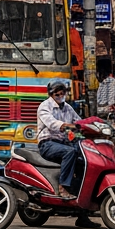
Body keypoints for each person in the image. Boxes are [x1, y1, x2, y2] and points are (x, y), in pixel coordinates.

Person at [37, 80, 89, 212]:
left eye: (62, 93)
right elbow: (53, 124)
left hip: (63, 144)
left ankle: (82, 211)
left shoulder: (67, 107)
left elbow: (78, 121)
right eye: (57, 94)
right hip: (47, 144)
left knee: (84, 162)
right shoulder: (44, 107)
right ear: (51, 94)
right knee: (70, 152)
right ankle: (63, 187)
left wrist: (89, 126)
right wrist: (67, 126)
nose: (60, 96)